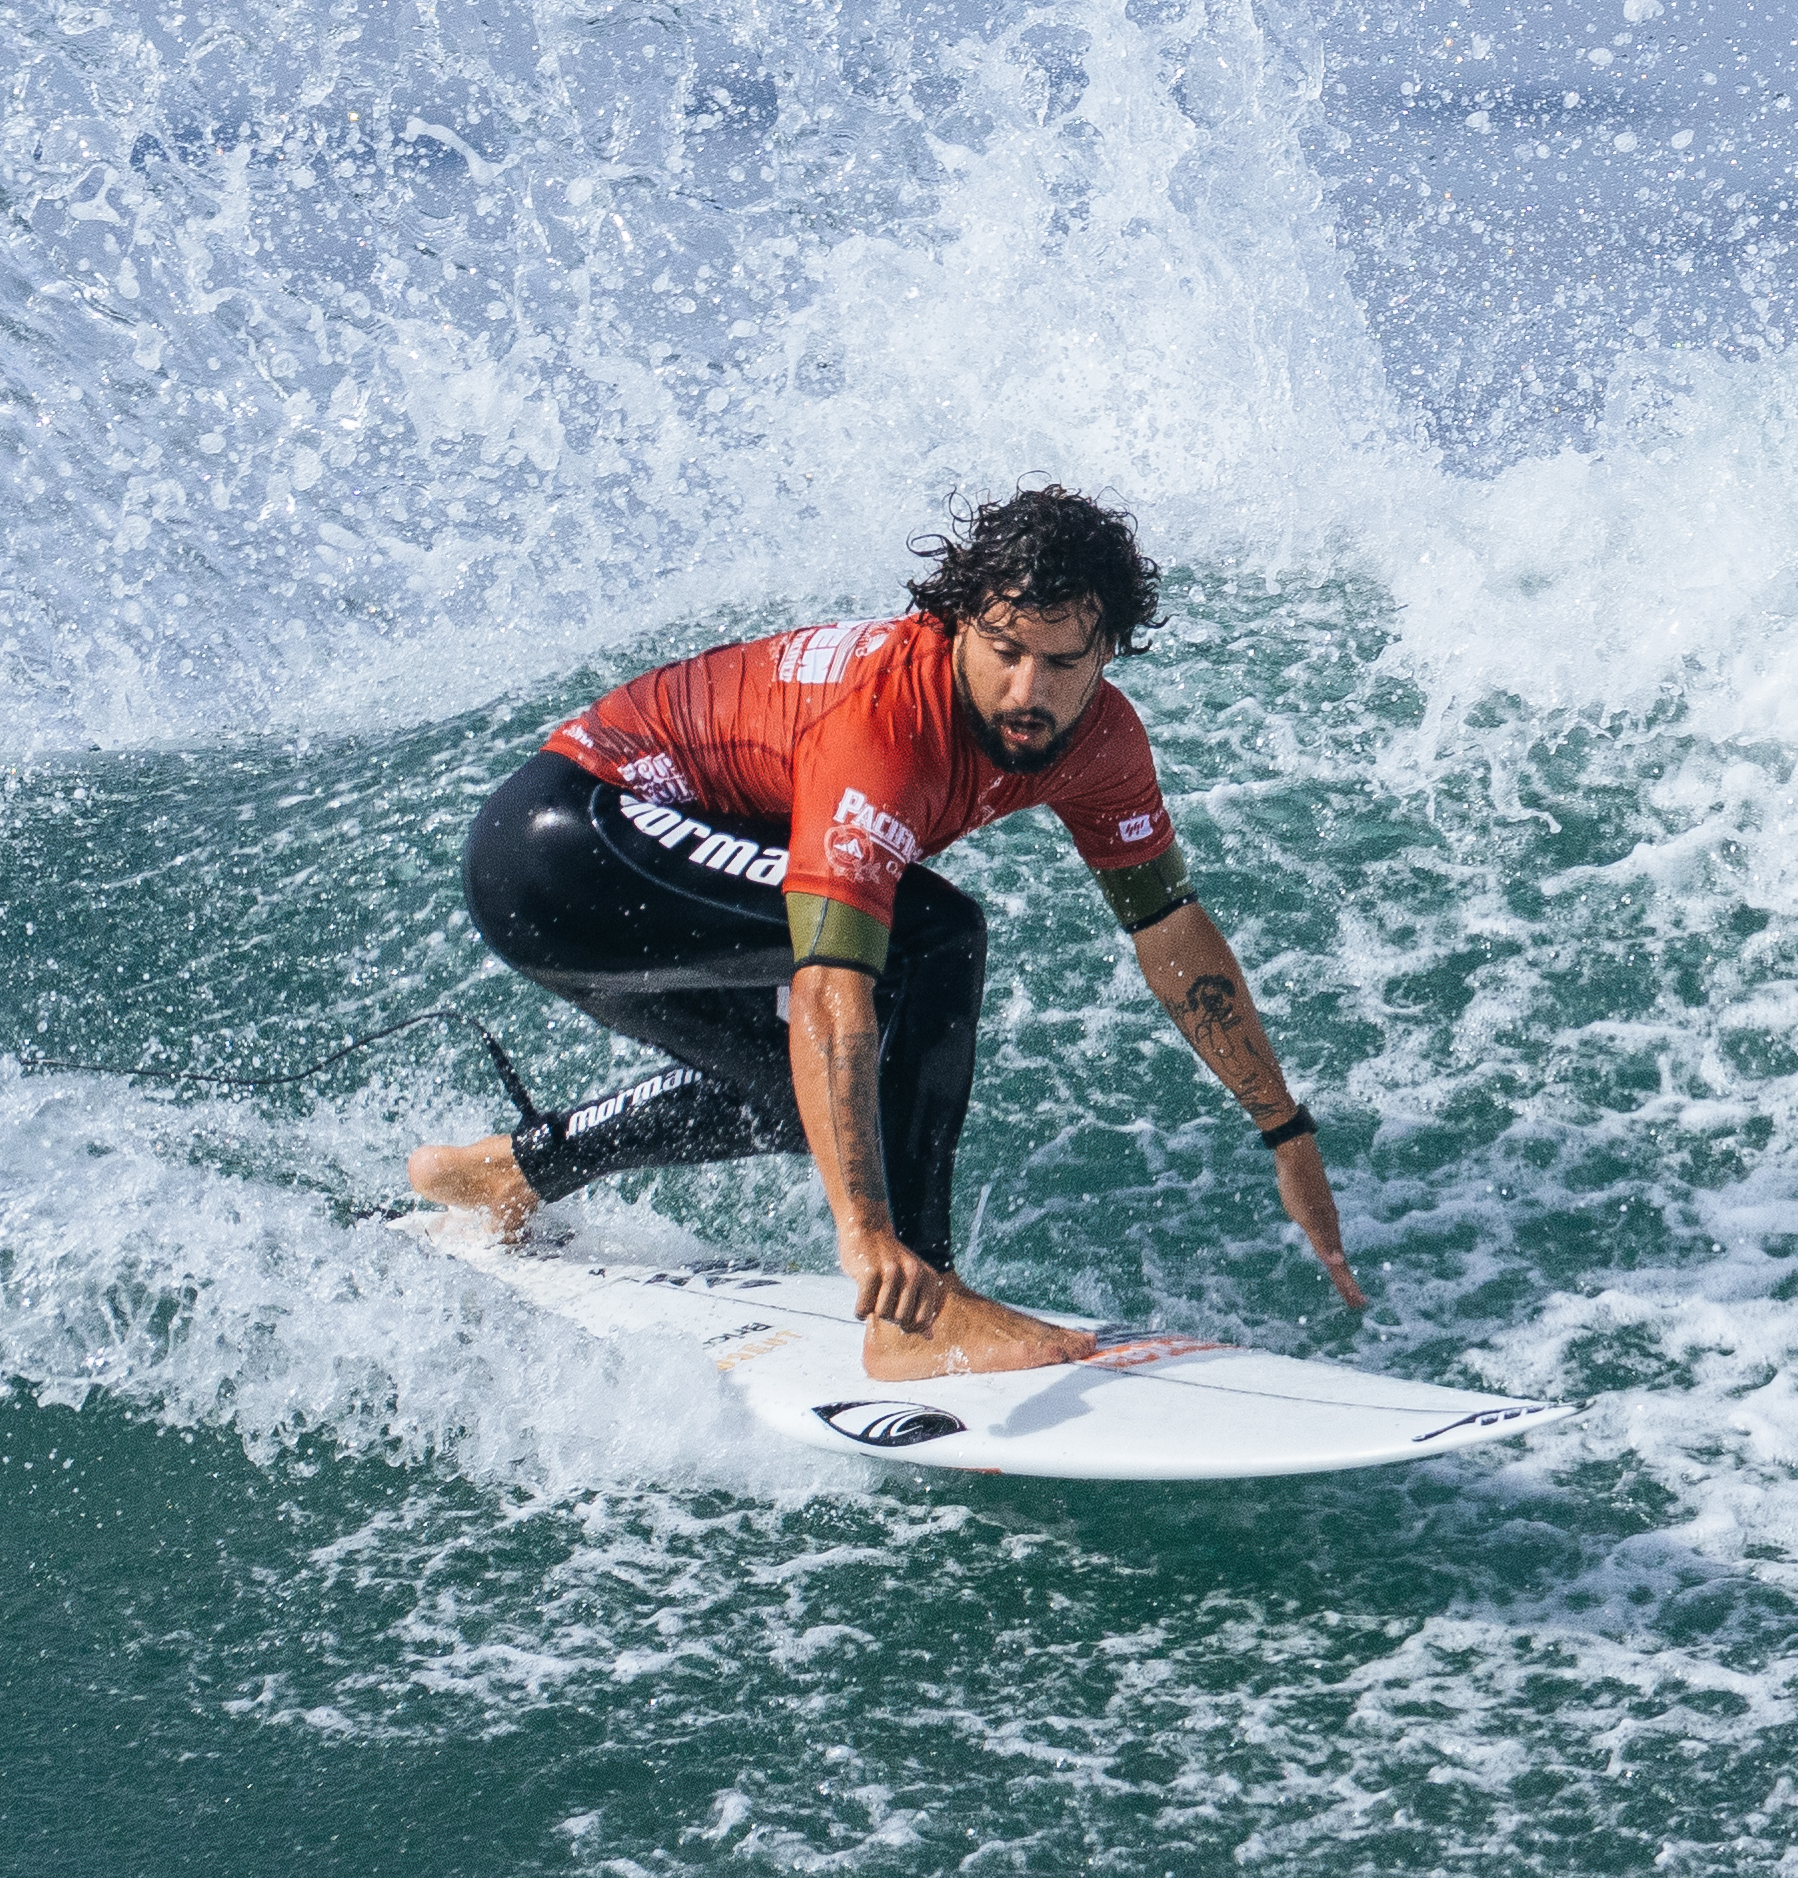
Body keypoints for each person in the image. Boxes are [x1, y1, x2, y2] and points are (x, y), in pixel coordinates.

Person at [408, 482, 1358, 1381]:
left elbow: (1170, 930)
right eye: (1004, 649)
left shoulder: (1103, 743)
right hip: (567, 844)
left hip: (639, 861)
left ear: (1109, 651)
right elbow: (834, 987)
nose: (1028, 689)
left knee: (800, 1103)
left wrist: (1285, 1130)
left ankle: (506, 1174)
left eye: (1064, 662)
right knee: (932, 936)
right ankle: (917, 1313)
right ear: (957, 625)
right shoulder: (884, 727)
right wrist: (868, 1237)